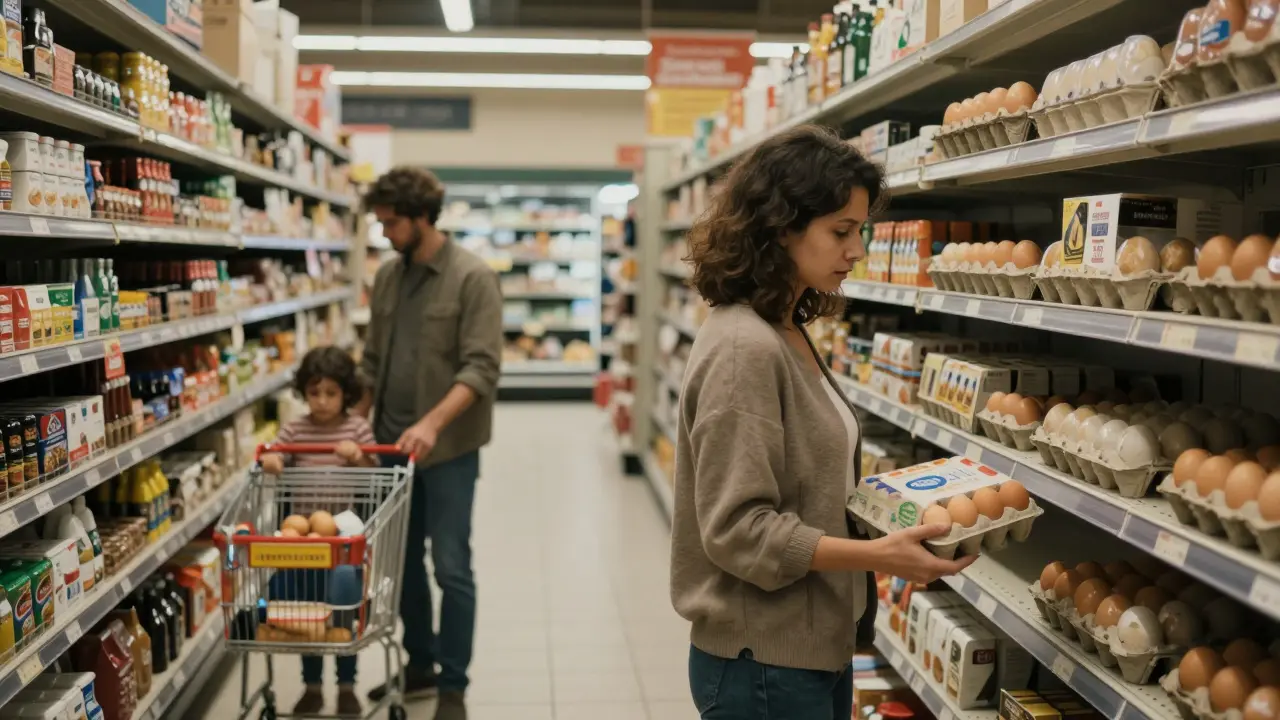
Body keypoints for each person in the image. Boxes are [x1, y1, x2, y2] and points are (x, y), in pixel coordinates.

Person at [671, 125, 977, 720]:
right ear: (782, 226)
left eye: (859, 231)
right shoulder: (744, 347)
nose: (856, 250)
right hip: (762, 662)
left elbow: (807, 484)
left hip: (806, 651)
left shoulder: (786, 330)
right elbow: (737, 529)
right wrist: (879, 556)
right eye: (841, 231)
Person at [358, 166, 503, 720]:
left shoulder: (472, 278)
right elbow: (372, 360)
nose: (385, 233)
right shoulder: (390, 278)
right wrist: (349, 424)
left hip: (447, 452)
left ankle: (453, 685)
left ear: (421, 217)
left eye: (391, 223)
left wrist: (432, 424)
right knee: (403, 563)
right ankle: (419, 665)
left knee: (451, 566)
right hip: (389, 450)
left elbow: (482, 368)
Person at [259, 346, 377, 717]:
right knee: (306, 615)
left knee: (342, 613)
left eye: (331, 393)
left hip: (343, 544)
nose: (322, 402)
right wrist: (273, 459)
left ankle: (346, 686)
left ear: (347, 393)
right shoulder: (296, 428)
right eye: (314, 393)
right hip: (304, 543)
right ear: (303, 393)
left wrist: (357, 456)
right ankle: (311, 686)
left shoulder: (357, 428)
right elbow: (275, 453)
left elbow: (375, 470)